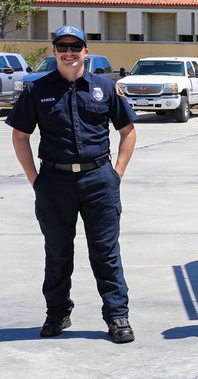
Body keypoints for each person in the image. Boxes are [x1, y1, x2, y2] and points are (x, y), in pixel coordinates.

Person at [6, 25, 138, 343]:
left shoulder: (105, 88)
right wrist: (35, 180)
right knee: (57, 252)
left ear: (85, 51)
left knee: (105, 252)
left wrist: (116, 174)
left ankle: (117, 316)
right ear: (53, 51)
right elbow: (20, 135)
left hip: (99, 180)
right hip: (54, 182)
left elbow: (128, 131)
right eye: (62, 47)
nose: (69, 53)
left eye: (75, 46)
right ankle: (57, 314)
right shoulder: (36, 90)